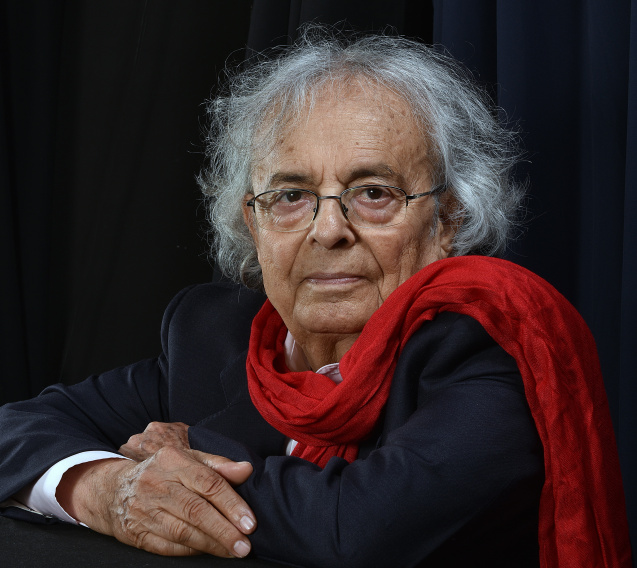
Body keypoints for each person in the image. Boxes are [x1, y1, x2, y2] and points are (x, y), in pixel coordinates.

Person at [0, 30, 631, 568]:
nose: (328, 230)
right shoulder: (210, 334)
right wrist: (106, 487)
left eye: (374, 192)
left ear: (449, 221)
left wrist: (182, 467)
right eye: (291, 196)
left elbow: (359, 527)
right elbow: (14, 429)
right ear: (253, 224)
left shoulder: (495, 355)